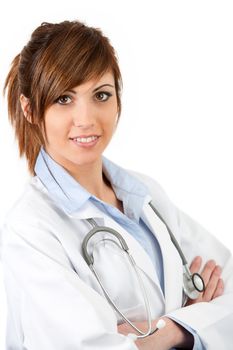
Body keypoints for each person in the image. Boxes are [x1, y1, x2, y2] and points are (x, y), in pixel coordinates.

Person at [1, 20, 232, 350]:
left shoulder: (146, 196)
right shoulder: (30, 228)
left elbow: (230, 290)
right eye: (64, 99)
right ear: (30, 110)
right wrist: (197, 323)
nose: (87, 119)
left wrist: (170, 331)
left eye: (101, 95)